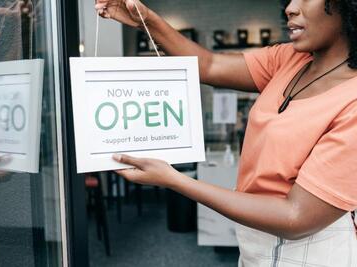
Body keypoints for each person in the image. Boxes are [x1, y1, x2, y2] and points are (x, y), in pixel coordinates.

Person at [95, 0, 357, 266]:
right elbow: (209, 65)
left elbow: (296, 217)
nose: (290, 8)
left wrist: (175, 180)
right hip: (256, 239)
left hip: (310, 251)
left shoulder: (353, 101)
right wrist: (146, 20)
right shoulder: (290, 59)